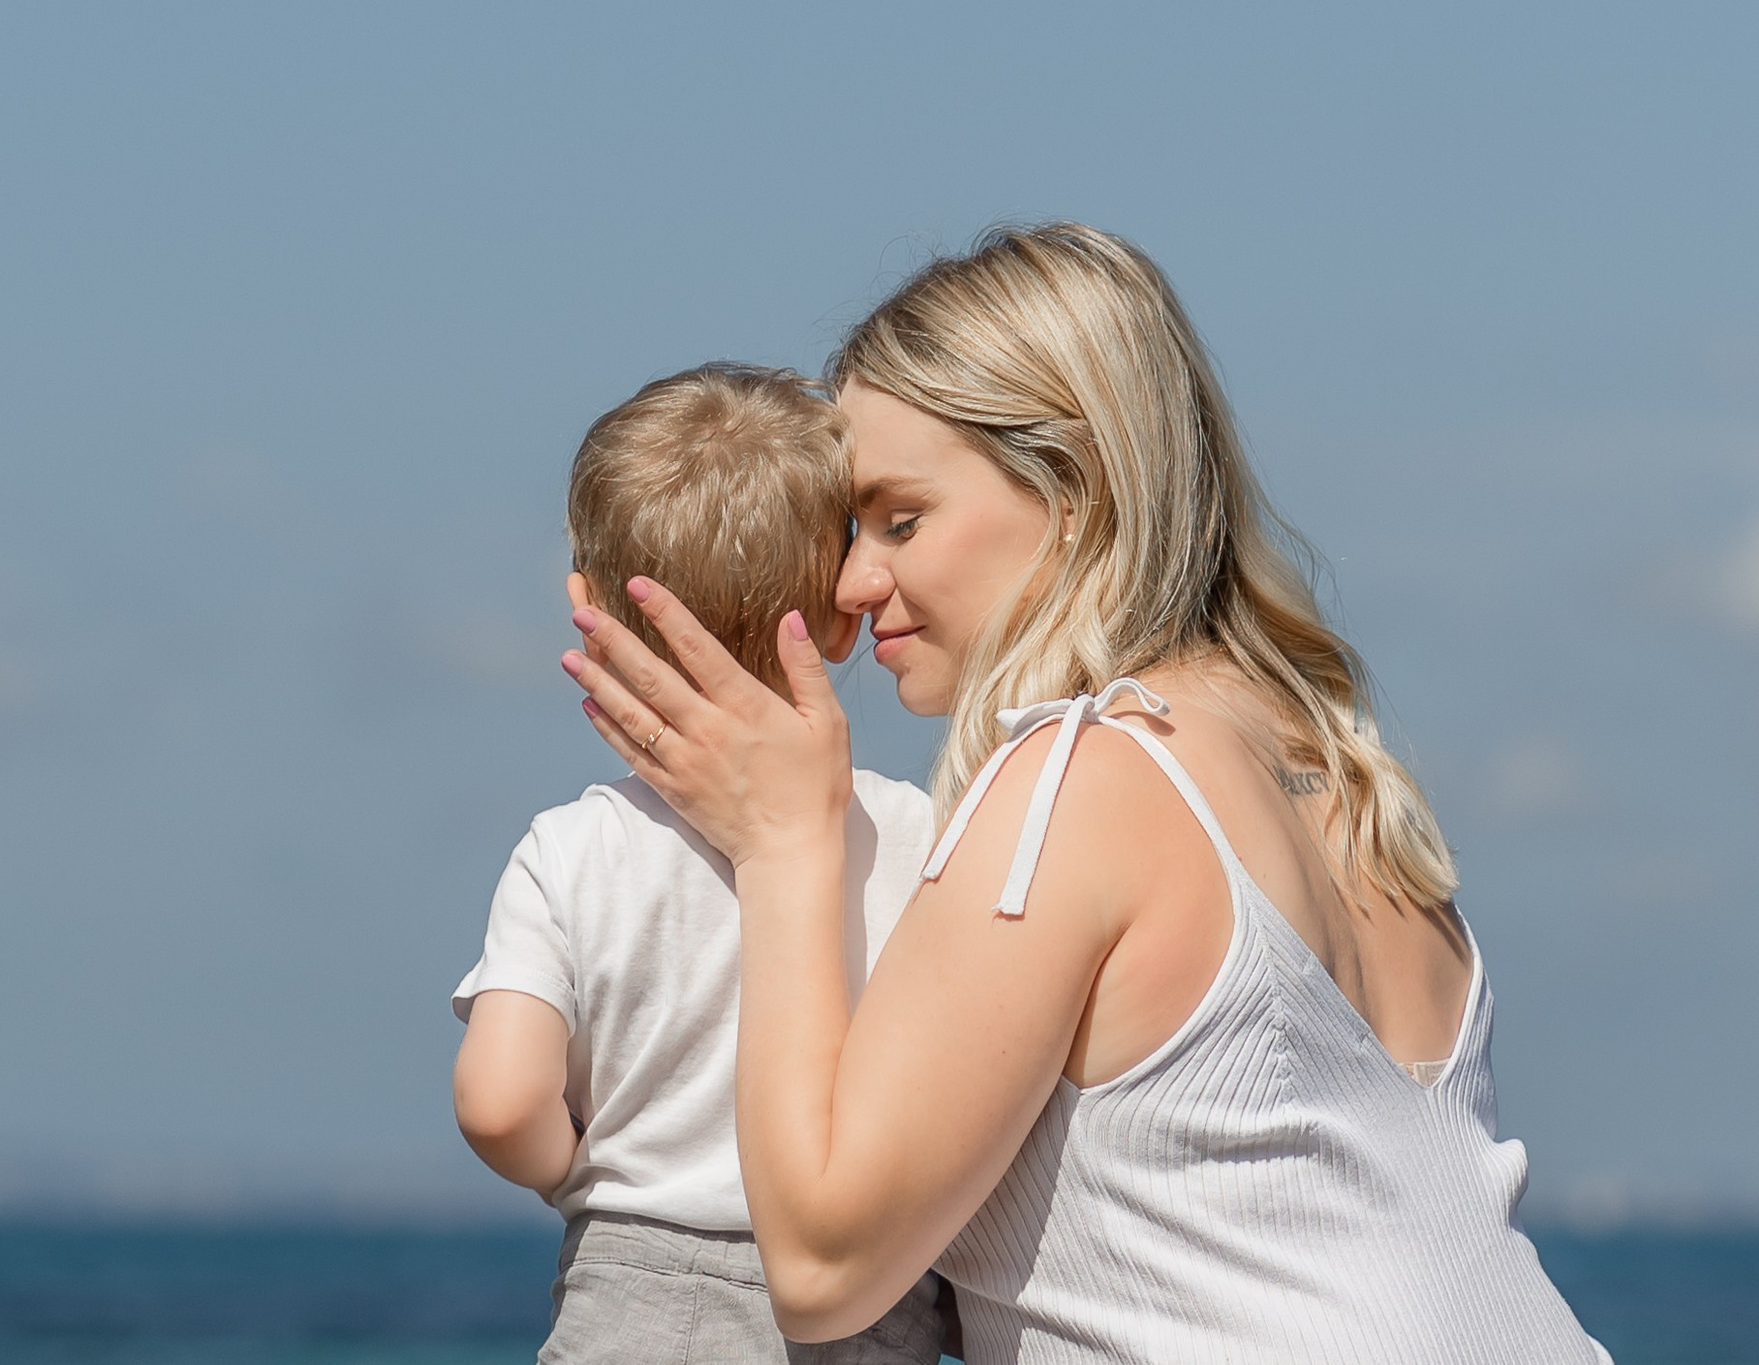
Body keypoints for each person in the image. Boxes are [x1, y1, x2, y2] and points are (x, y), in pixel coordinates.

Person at [563, 226, 1612, 1363]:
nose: (856, 582)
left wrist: (780, 849)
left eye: (900, 519)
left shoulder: (1080, 782)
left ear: (1074, 491)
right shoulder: (1336, 773)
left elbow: (822, 1266)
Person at [453, 363, 947, 1365]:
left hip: (631, 1289)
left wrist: (579, 1174)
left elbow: (500, 1101)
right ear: (845, 610)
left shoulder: (570, 851)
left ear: (583, 604)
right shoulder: (928, 837)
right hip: (863, 1292)